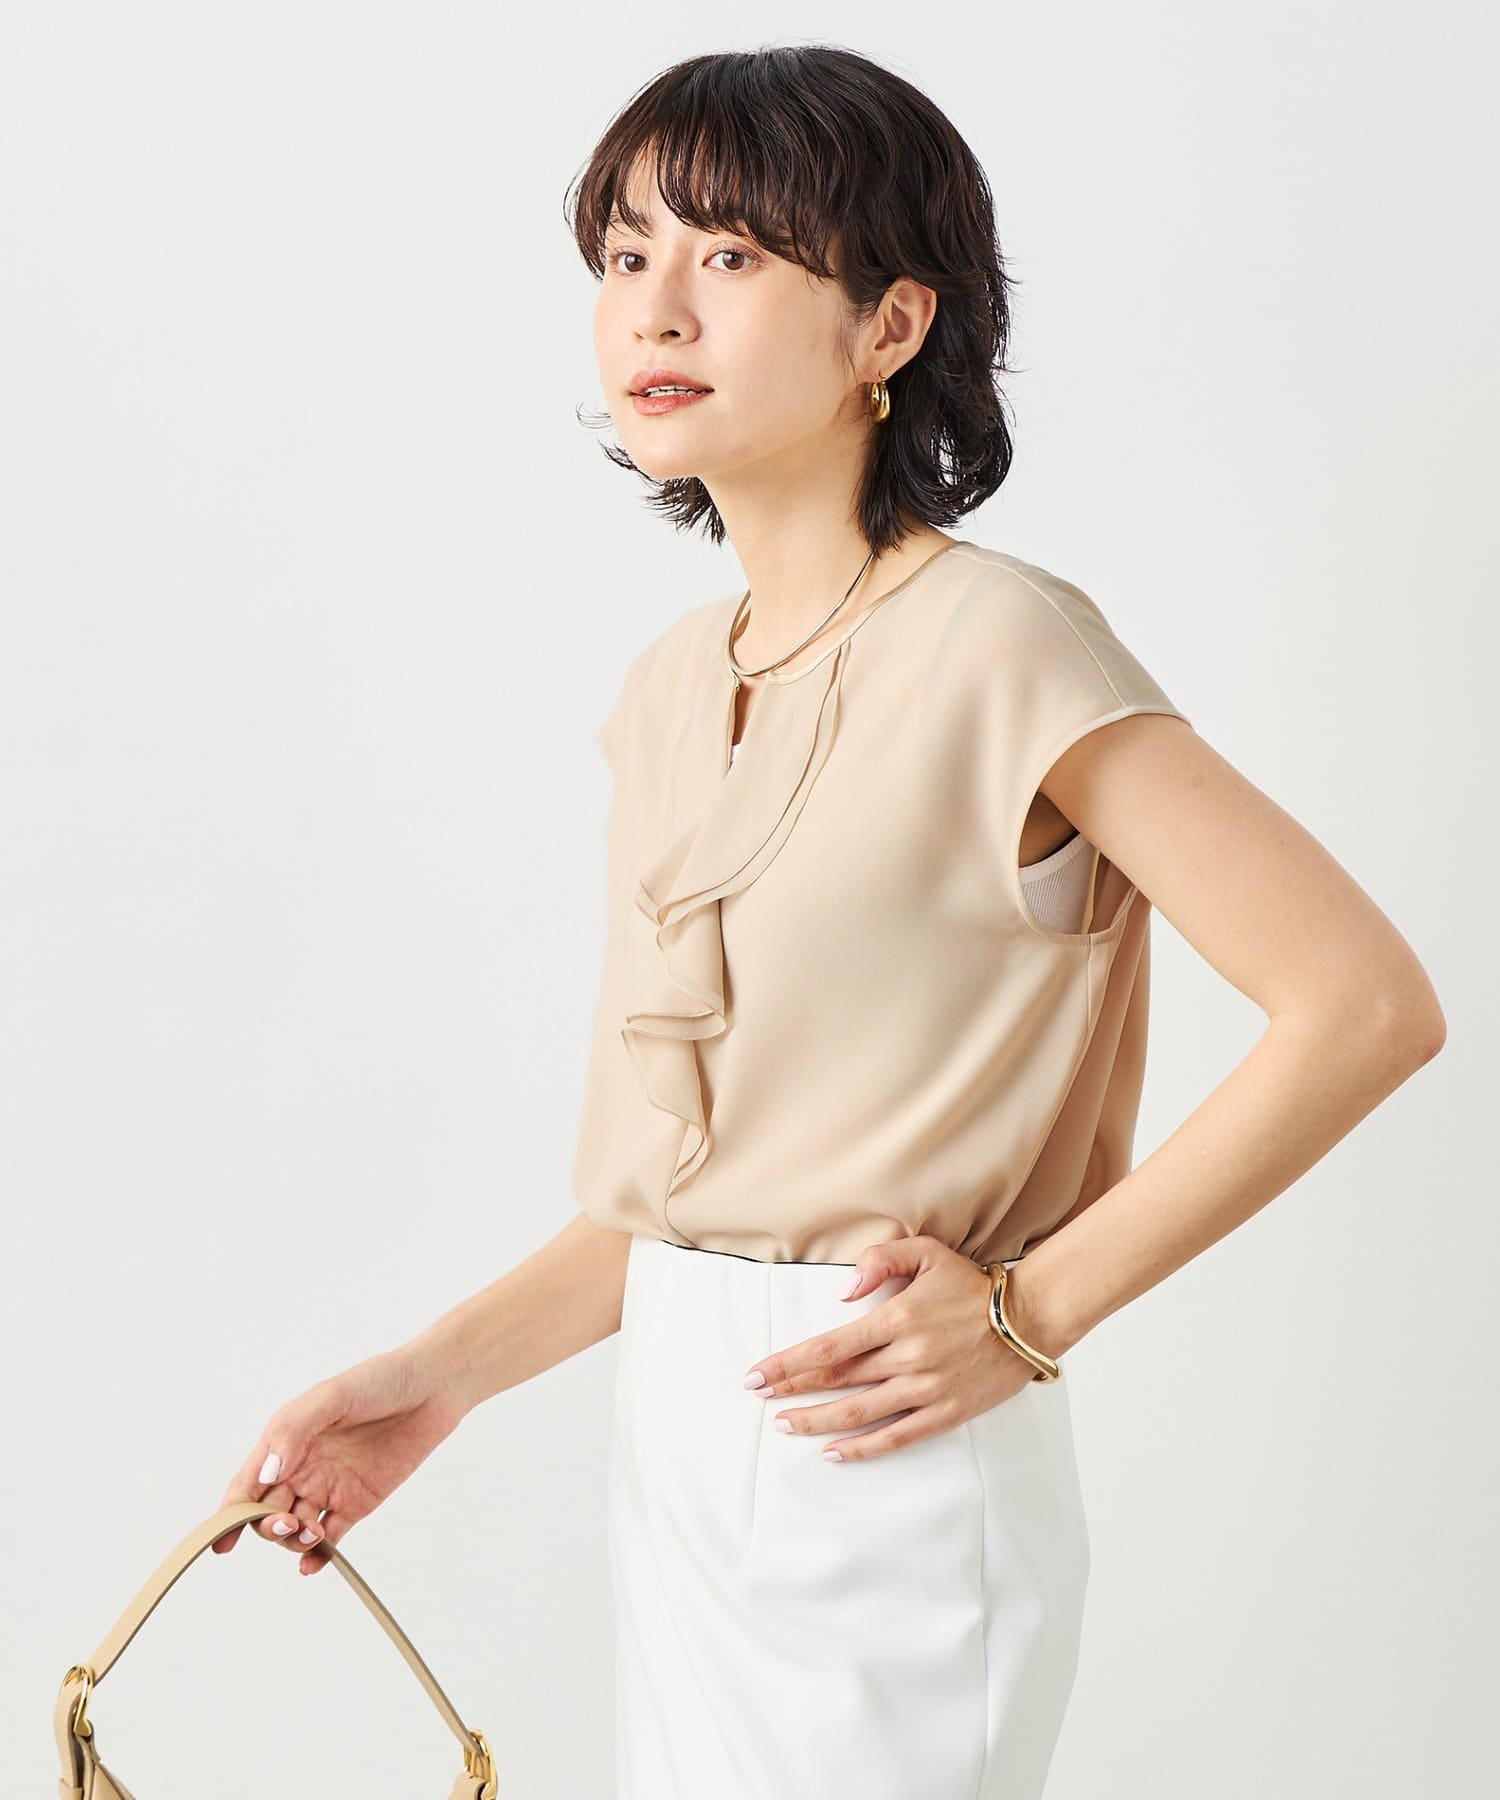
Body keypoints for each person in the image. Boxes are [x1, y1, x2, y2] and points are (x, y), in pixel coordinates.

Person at [212, 44, 1446, 1799]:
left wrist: (1029, 1311)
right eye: (626, 254)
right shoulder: (668, 688)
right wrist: (436, 1379)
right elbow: (697, 1206)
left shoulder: (1003, 643)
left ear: (890, 326)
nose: (659, 306)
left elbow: (1365, 1004)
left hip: (893, 1463)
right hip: (678, 1463)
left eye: (730, 254)